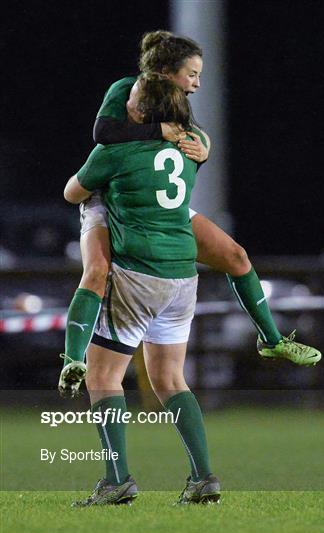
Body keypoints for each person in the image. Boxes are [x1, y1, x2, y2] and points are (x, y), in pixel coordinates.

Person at [58, 30, 321, 397]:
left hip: (155, 198)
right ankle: (73, 357)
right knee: (97, 271)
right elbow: (104, 132)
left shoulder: (175, 100)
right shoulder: (125, 89)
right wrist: (158, 131)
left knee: (235, 255)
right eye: (192, 74)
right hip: (109, 195)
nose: (197, 83)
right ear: (166, 72)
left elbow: (195, 136)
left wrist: (204, 149)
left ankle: (271, 339)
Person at [63, 74, 220, 506]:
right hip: (183, 277)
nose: (123, 102)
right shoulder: (188, 149)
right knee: (171, 379)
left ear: (142, 113)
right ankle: (203, 476)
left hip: (138, 276)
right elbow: (196, 144)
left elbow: (72, 192)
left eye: (131, 99)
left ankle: (116, 481)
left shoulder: (114, 150)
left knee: (102, 376)